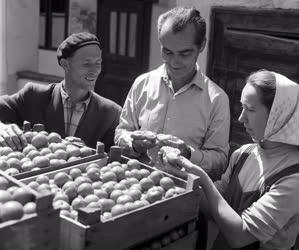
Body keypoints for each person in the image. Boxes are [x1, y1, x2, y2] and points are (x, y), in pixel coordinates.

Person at [166, 70, 299, 249]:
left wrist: (203, 179)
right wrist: (181, 175)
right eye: (242, 107)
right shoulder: (243, 154)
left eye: (250, 110)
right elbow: (216, 208)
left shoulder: (293, 178)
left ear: (278, 114)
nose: (241, 117)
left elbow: (241, 236)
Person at [115, 7, 230, 181]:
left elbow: (220, 162)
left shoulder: (217, 99)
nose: (174, 62)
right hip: (134, 186)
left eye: (185, 54)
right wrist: (134, 144)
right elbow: (122, 132)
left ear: (202, 46)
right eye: (167, 52)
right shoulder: (142, 84)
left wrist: (188, 153)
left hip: (181, 194)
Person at [0, 32, 121, 151]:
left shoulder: (111, 114)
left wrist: (88, 153)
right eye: (86, 63)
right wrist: (2, 128)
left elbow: (114, 161)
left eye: (98, 63)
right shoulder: (33, 96)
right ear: (65, 64)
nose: (94, 70)